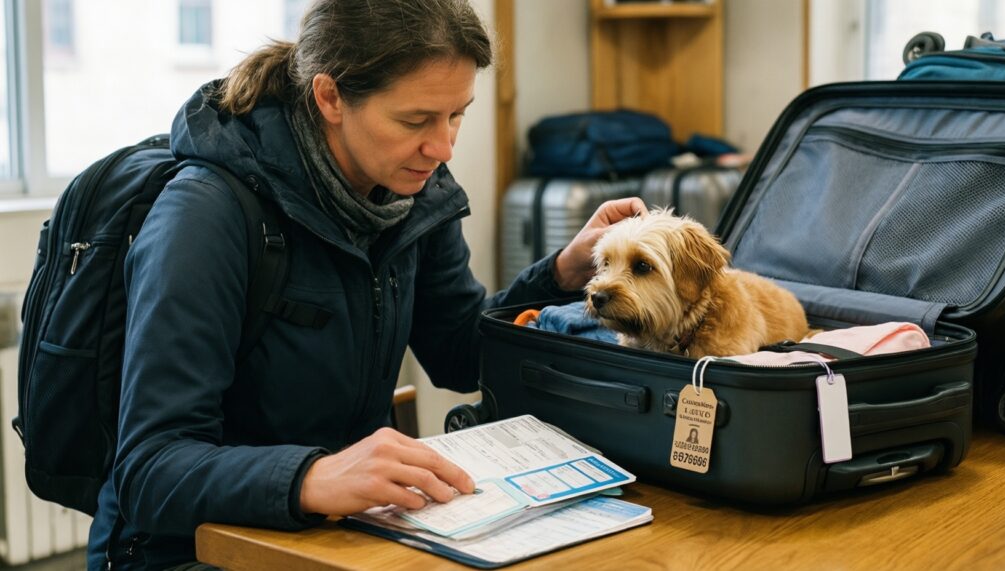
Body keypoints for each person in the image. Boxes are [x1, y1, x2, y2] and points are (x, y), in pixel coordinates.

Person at [86, 1, 646, 569]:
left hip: (344, 534)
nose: (443, 148)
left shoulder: (411, 192)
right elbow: (151, 470)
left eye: (457, 115)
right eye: (415, 120)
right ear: (330, 97)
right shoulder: (206, 214)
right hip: (191, 549)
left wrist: (559, 276)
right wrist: (313, 475)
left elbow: (458, 352)